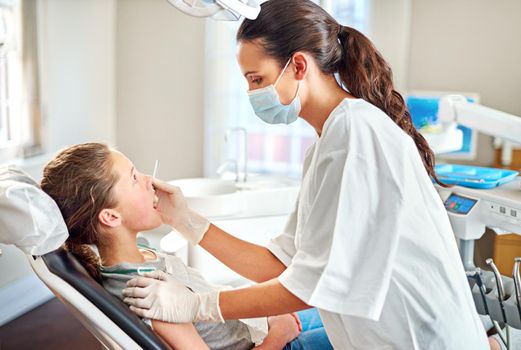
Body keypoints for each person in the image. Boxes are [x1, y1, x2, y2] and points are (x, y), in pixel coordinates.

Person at [121, 0, 494, 349]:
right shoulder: (327, 142)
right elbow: (282, 265)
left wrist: (196, 305)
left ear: (298, 66)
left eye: (256, 79)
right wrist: (186, 221)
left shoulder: (355, 134)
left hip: (418, 335)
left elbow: (307, 285)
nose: (252, 93)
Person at [40, 142, 334, 350]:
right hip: (271, 342)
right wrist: (278, 336)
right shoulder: (148, 293)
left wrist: (184, 220)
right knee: (361, 334)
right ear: (111, 216)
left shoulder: (140, 255)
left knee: (343, 317)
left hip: (257, 329)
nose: (149, 180)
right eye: (133, 178)